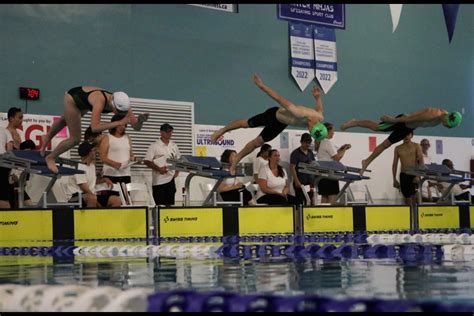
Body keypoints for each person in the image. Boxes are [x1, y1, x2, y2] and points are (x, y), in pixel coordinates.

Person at [211, 74, 328, 175]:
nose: (308, 129)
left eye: (310, 131)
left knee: (257, 143)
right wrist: (262, 86)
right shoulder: (298, 113)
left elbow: (319, 109)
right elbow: (278, 98)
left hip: (280, 124)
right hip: (273, 115)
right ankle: (222, 130)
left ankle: (235, 161)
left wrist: (317, 98)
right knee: (247, 124)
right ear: (314, 124)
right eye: (310, 128)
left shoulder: (319, 118)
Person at [39, 86, 149, 174]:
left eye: (123, 112)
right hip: (73, 98)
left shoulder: (123, 106)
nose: (121, 115)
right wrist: (119, 122)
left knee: (65, 120)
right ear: (113, 104)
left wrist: (140, 121)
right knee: (75, 139)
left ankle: (47, 137)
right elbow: (94, 127)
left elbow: (136, 127)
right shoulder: (100, 100)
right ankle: (51, 157)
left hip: (85, 102)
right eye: (119, 112)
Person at [340, 108, 462, 174]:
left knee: (385, 145)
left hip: (407, 128)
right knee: (376, 127)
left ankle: (366, 161)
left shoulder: (443, 118)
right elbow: (410, 117)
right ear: (447, 117)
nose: (447, 127)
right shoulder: (432, 114)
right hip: (402, 122)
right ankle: (354, 122)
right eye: (448, 125)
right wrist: (392, 120)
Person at [64, 142, 121, 207]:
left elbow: (91, 182)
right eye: (93, 151)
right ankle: (91, 217)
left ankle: (107, 217)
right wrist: (98, 204)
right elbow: (85, 189)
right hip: (76, 196)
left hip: (91, 195)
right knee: (92, 198)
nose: (96, 153)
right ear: (88, 153)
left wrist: (104, 180)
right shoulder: (79, 167)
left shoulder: (92, 166)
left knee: (116, 200)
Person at [144, 123, 181, 206]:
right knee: (159, 206)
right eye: (167, 132)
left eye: (171, 132)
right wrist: (158, 169)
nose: (169, 134)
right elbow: (147, 161)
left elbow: (178, 159)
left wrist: (177, 170)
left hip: (171, 179)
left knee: (170, 205)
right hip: (159, 181)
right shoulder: (154, 146)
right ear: (161, 132)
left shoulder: (174, 145)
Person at [316, 123, 351, 204]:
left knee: (324, 197)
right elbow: (337, 158)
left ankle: (323, 215)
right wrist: (344, 149)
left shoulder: (321, 142)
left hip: (322, 174)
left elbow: (332, 154)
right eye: (333, 130)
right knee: (332, 197)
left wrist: (342, 149)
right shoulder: (327, 142)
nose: (334, 132)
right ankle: (331, 215)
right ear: (328, 131)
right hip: (329, 174)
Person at [99, 113, 137, 185]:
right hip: (111, 174)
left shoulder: (127, 137)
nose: (122, 127)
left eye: (124, 125)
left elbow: (130, 154)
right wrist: (115, 164)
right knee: (112, 196)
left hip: (126, 174)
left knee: (126, 196)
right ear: (114, 124)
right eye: (120, 125)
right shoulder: (107, 137)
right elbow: (102, 157)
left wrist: (133, 158)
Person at [392, 132, 424, 205]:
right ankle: (410, 214)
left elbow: (421, 162)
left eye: (408, 134)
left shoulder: (416, 146)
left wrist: (418, 176)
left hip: (414, 174)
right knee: (407, 197)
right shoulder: (398, 148)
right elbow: (394, 164)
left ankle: (416, 215)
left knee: (415, 197)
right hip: (404, 175)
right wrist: (394, 179)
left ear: (411, 135)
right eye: (404, 134)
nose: (406, 136)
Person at [290, 133, 316, 205]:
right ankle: (299, 215)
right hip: (300, 181)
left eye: (309, 143)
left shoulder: (310, 152)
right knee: (300, 202)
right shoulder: (295, 153)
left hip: (310, 182)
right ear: (301, 142)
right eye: (306, 143)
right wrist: (296, 180)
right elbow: (292, 167)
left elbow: (313, 165)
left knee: (311, 200)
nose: (308, 145)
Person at [9, 140, 36, 207]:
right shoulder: (15, 162)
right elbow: (11, 180)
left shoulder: (28, 164)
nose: (29, 155)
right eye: (27, 152)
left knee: (30, 206)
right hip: (11, 189)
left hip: (20, 188)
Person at [0, 124, 14, 208]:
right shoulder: (5, 131)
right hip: (2, 162)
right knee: (2, 195)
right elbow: (10, 150)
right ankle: (6, 219)